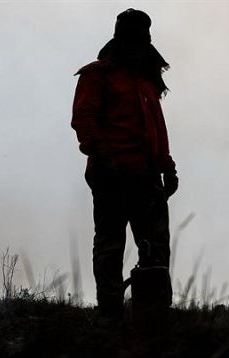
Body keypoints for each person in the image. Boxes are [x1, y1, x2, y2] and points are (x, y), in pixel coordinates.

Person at [71, 8, 178, 322]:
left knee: (156, 244)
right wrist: (106, 158)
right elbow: (84, 119)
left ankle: (154, 311)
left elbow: (158, 130)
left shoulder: (147, 84)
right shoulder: (97, 75)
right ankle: (110, 312)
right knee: (110, 242)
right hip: (111, 176)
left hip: (146, 178)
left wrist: (168, 167)